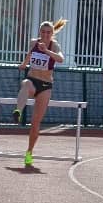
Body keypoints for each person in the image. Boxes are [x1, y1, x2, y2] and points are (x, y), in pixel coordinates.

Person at [12, 20, 66, 167]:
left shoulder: (54, 45)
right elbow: (30, 53)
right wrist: (24, 64)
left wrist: (47, 51)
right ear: (40, 33)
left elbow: (61, 59)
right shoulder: (33, 42)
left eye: (48, 32)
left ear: (52, 34)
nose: (45, 35)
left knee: (36, 123)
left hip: (46, 85)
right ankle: (18, 111)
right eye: (43, 32)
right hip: (32, 79)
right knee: (25, 85)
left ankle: (29, 152)